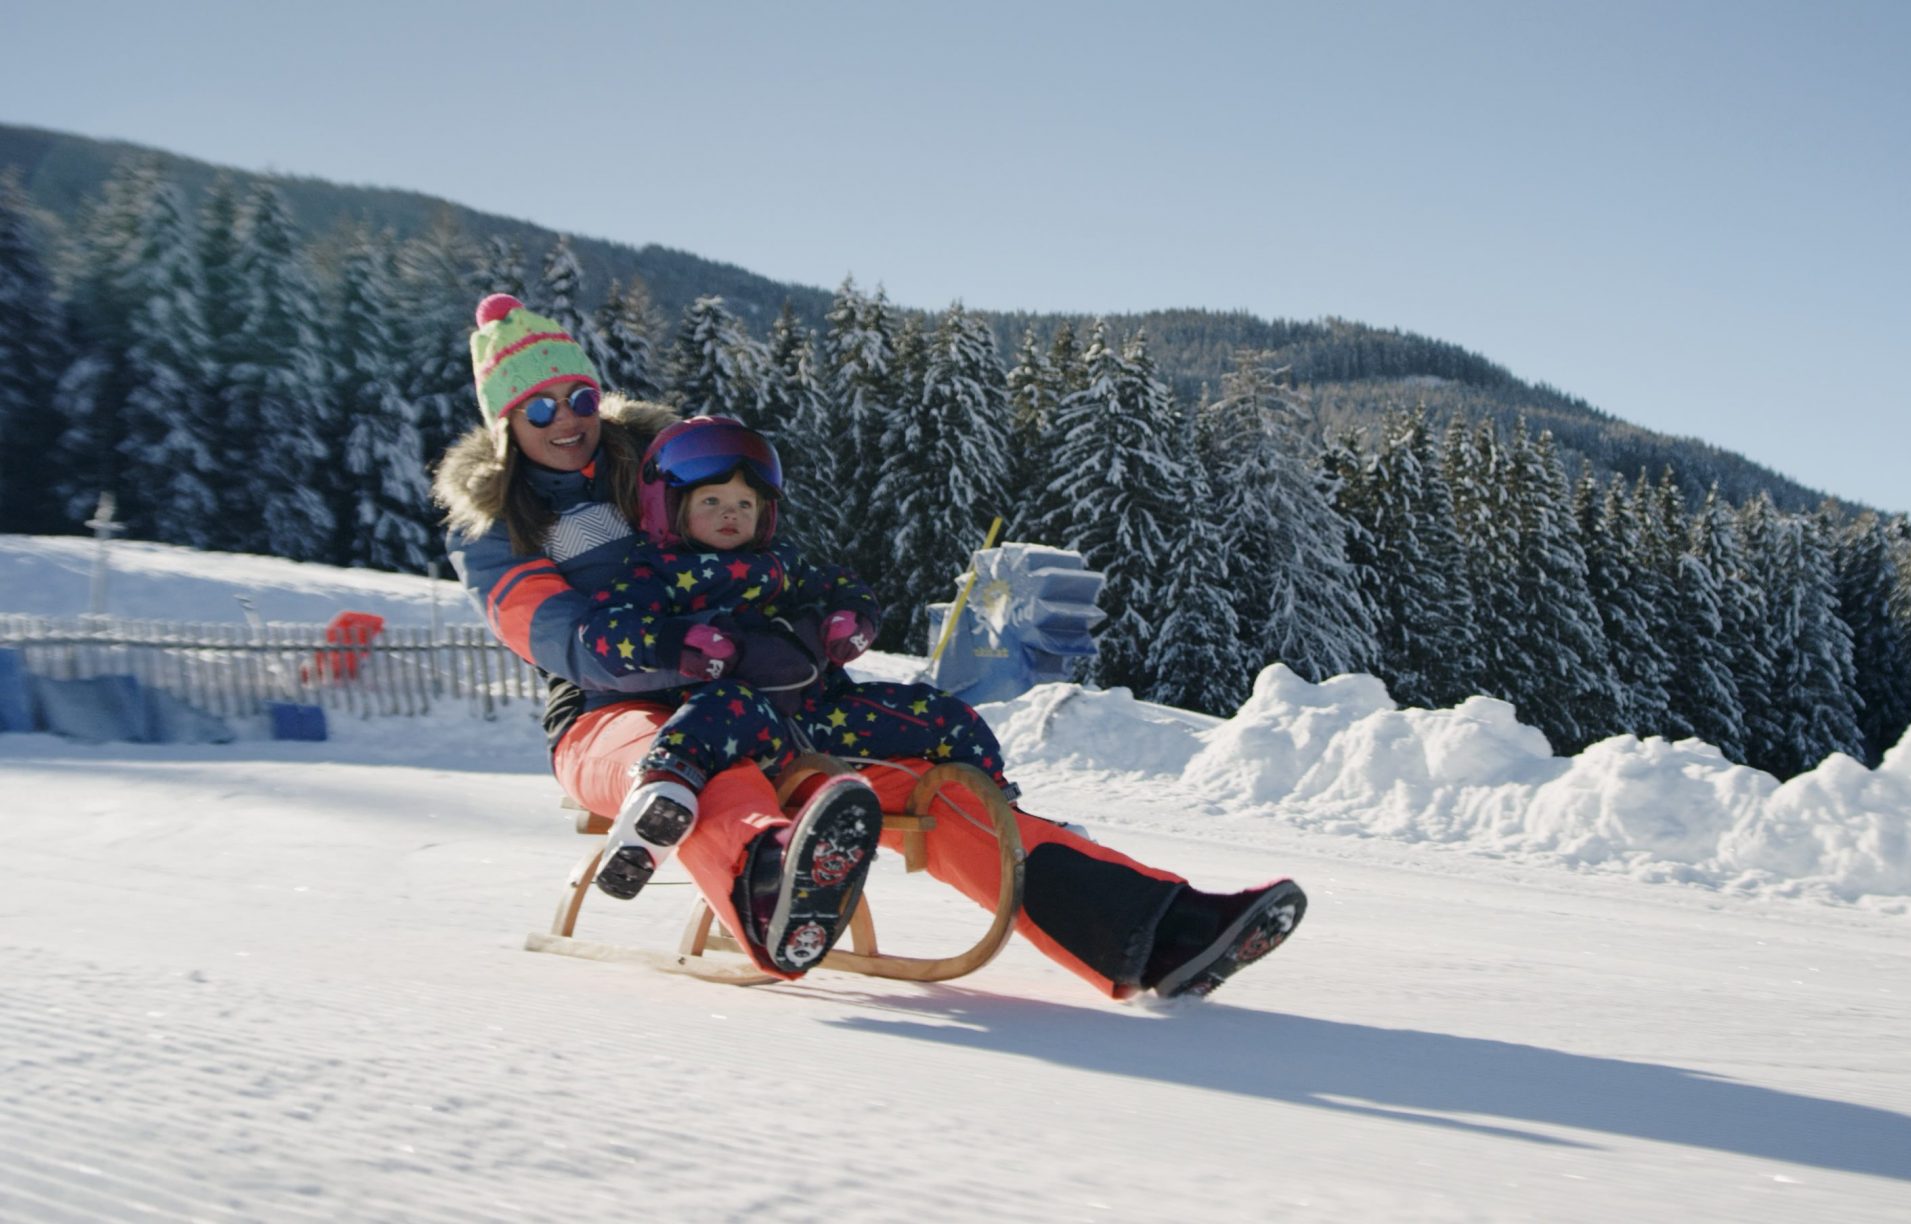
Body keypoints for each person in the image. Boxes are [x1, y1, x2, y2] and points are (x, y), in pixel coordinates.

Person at [434, 294, 1304, 998]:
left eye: (579, 397)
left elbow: (757, 543)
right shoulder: (497, 525)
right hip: (609, 714)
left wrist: (802, 630)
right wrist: (705, 655)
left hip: (769, 699)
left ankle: (1155, 930)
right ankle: (776, 892)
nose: (567, 419)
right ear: (504, 421)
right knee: (705, 771)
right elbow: (564, 640)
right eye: (538, 406)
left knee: (934, 785)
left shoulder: (659, 459)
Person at [578, 415, 1019, 904]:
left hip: (826, 716)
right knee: (716, 710)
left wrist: (850, 620)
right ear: (668, 507)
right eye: (712, 502)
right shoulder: (654, 570)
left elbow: (846, 586)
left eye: (745, 503)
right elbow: (604, 631)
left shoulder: (783, 564)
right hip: (742, 724)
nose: (732, 514)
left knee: (945, 715)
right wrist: (676, 642)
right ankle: (657, 810)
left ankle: (1009, 820)